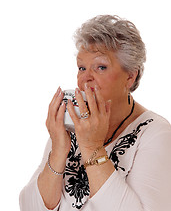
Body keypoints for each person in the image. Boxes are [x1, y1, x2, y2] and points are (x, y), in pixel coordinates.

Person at [19, 15, 171, 211]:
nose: (85, 79)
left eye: (101, 67)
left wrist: (92, 148)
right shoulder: (72, 124)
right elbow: (29, 207)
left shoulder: (156, 134)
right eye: (82, 68)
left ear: (130, 77)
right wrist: (58, 149)